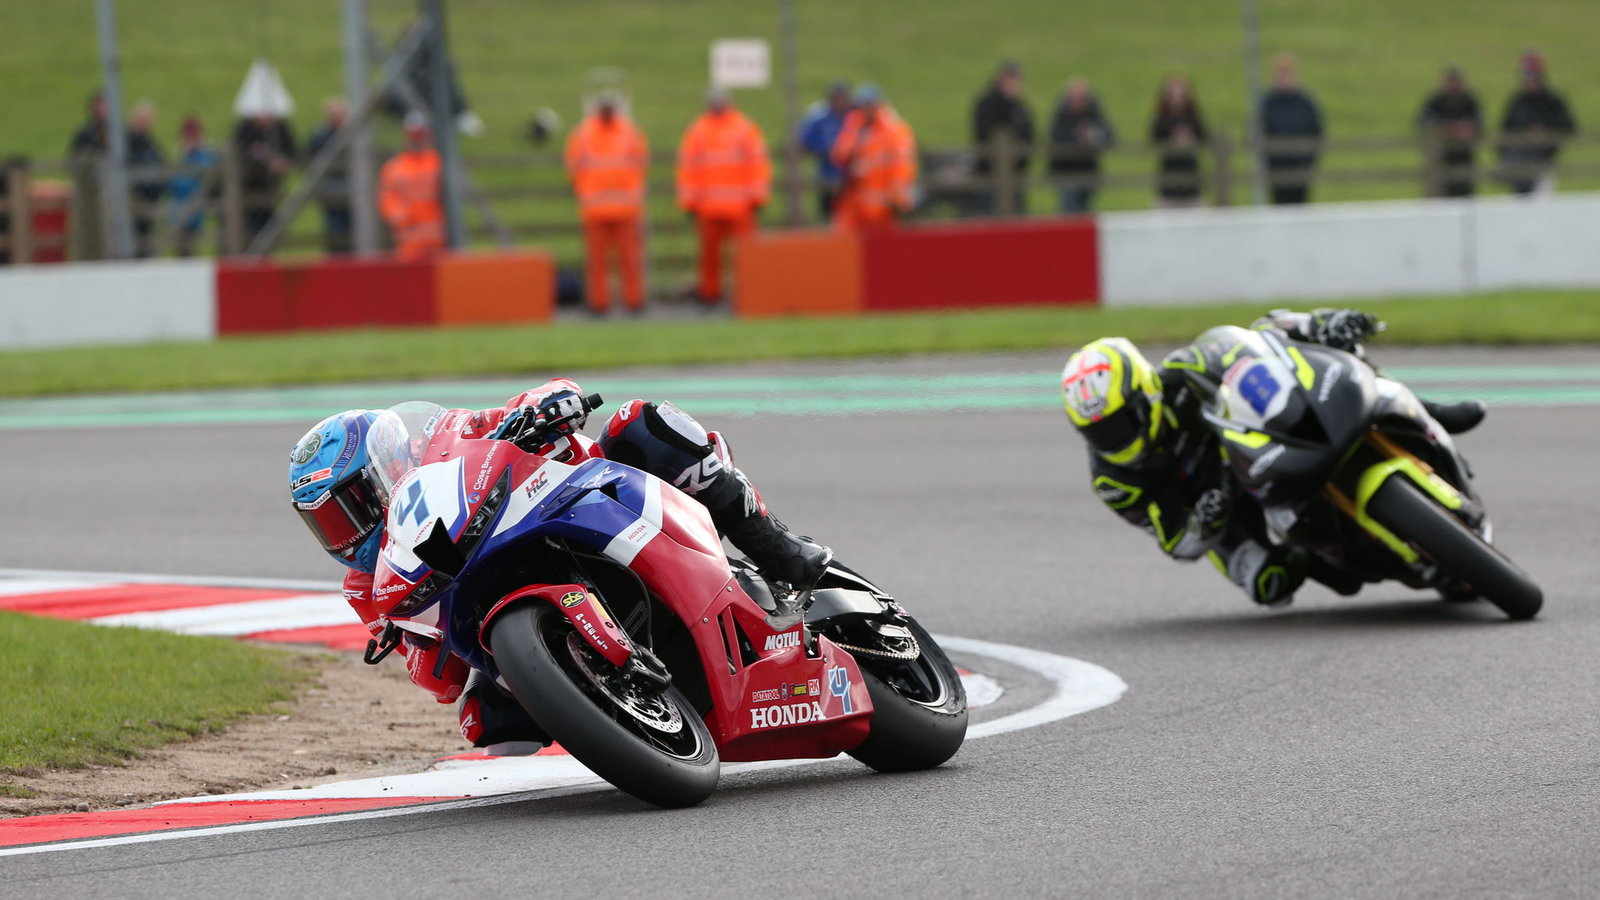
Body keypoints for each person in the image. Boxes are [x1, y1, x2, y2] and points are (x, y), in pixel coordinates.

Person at [286, 382, 831, 751]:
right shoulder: (368, 588)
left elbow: (527, 405)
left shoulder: (447, 436)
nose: (345, 534)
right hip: (489, 608)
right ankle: (616, 710)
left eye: (350, 508)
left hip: (571, 501)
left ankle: (775, 546)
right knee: (490, 727)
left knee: (641, 423)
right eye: (326, 524)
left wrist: (547, 405)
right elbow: (439, 682)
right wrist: (419, 642)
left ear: (386, 465)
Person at [1058, 309, 1488, 608]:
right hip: (1222, 503)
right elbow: (1174, 541)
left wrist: (1318, 324)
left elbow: (1263, 338)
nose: (1112, 440)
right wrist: (1201, 524)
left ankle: (1429, 412)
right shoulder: (1113, 480)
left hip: (1263, 445)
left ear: (1145, 393)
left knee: (1336, 351)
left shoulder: (1184, 372)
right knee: (1268, 583)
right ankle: (1318, 554)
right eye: (1098, 433)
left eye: (1119, 424)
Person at [676, 88, 770, 304]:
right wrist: (689, 202)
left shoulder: (744, 128)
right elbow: (688, 168)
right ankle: (710, 294)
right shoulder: (698, 131)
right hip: (708, 207)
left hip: (740, 207)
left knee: (745, 255)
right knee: (709, 256)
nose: (717, 105)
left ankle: (748, 294)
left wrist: (757, 198)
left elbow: (757, 164)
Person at [565, 92, 649, 315]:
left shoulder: (629, 133)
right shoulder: (584, 134)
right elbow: (573, 166)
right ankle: (599, 302)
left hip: (624, 208)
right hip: (596, 208)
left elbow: (640, 164)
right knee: (597, 261)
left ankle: (634, 300)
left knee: (629, 259)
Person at [829, 84, 917, 232]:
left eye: (868, 105)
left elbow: (902, 166)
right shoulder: (856, 126)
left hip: (884, 206)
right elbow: (839, 155)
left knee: (883, 243)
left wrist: (898, 198)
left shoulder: (894, 130)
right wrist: (854, 132)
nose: (864, 110)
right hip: (855, 203)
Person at [1498, 51, 1577, 196]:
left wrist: (1546, 134)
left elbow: (1569, 127)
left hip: (1544, 163)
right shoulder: (1517, 102)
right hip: (1519, 166)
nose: (1529, 81)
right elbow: (1505, 131)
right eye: (1526, 77)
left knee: (1542, 200)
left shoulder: (1552, 101)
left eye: (1533, 76)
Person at [378, 112, 445, 261]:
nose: (417, 138)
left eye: (420, 134)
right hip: (408, 242)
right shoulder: (395, 166)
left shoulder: (438, 162)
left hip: (439, 240)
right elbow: (387, 198)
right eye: (414, 134)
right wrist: (400, 217)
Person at [1258, 53, 1323, 205]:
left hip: (1300, 166)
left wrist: (1308, 159)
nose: (1285, 78)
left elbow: (1316, 131)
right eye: (1281, 74)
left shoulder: (1305, 103)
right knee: (1279, 206)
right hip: (1276, 168)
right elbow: (1257, 132)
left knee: (1300, 206)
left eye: (1288, 74)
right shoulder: (1267, 103)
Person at [971, 60, 1034, 215]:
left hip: (1016, 174)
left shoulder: (1020, 107)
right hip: (989, 174)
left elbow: (1029, 134)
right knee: (989, 216)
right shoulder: (988, 104)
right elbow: (985, 134)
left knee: (1018, 216)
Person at [1047, 77, 1115, 214]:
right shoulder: (1061, 114)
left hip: (1088, 171)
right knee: (1069, 209)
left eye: (1082, 97)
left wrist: (1092, 135)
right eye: (1075, 97)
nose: (1078, 101)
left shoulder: (1094, 113)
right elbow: (1055, 137)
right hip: (1066, 171)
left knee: (1085, 210)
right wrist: (1074, 136)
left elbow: (1109, 136)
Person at [232, 111, 297, 246]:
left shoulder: (279, 129)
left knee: (269, 225)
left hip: (271, 188)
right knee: (250, 225)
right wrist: (259, 158)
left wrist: (282, 161)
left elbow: (291, 151)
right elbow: (238, 154)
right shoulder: (245, 129)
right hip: (249, 188)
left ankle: (264, 251)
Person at [1417, 67, 1483, 198]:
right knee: (1441, 193)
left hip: (1464, 157)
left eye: (1455, 81)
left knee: (1464, 192)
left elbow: (1479, 123)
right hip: (1441, 157)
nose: (1453, 85)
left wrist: (1466, 129)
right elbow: (1423, 120)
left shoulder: (1469, 102)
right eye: (1450, 81)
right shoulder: (1437, 101)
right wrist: (1447, 128)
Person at [1150, 75, 1208, 208]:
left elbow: (1204, 136)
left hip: (1190, 172)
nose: (1177, 98)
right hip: (1169, 172)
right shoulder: (1162, 116)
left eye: (1180, 94)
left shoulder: (1193, 115)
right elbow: (1154, 138)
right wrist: (1172, 140)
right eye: (1173, 94)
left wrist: (1190, 138)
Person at [798, 81, 852, 220]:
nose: (840, 102)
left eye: (842, 97)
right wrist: (825, 148)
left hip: (850, 173)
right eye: (836, 98)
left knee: (849, 211)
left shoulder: (853, 116)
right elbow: (804, 137)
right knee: (827, 211)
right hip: (827, 170)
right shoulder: (819, 116)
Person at [305, 97, 353, 255]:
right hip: (330, 189)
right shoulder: (320, 136)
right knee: (335, 228)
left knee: (353, 227)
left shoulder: (352, 134)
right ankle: (337, 256)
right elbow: (310, 161)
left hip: (350, 188)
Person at [66, 91, 109, 260]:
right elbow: (73, 161)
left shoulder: (116, 132)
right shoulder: (84, 134)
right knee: (88, 231)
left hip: (110, 195)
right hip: (88, 195)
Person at [168, 114, 218, 258]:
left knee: (189, 249)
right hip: (182, 211)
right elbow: (175, 184)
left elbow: (186, 185)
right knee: (184, 250)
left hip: (194, 211)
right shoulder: (185, 158)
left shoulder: (204, 157)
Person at [125, 100, 167, 258]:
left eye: (146, 121)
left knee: (147, 248)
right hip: (130, 208)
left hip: (149, 207)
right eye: (141, 120)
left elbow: (164, 170)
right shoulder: (125, 144)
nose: (143, 124)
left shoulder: (152, 146)